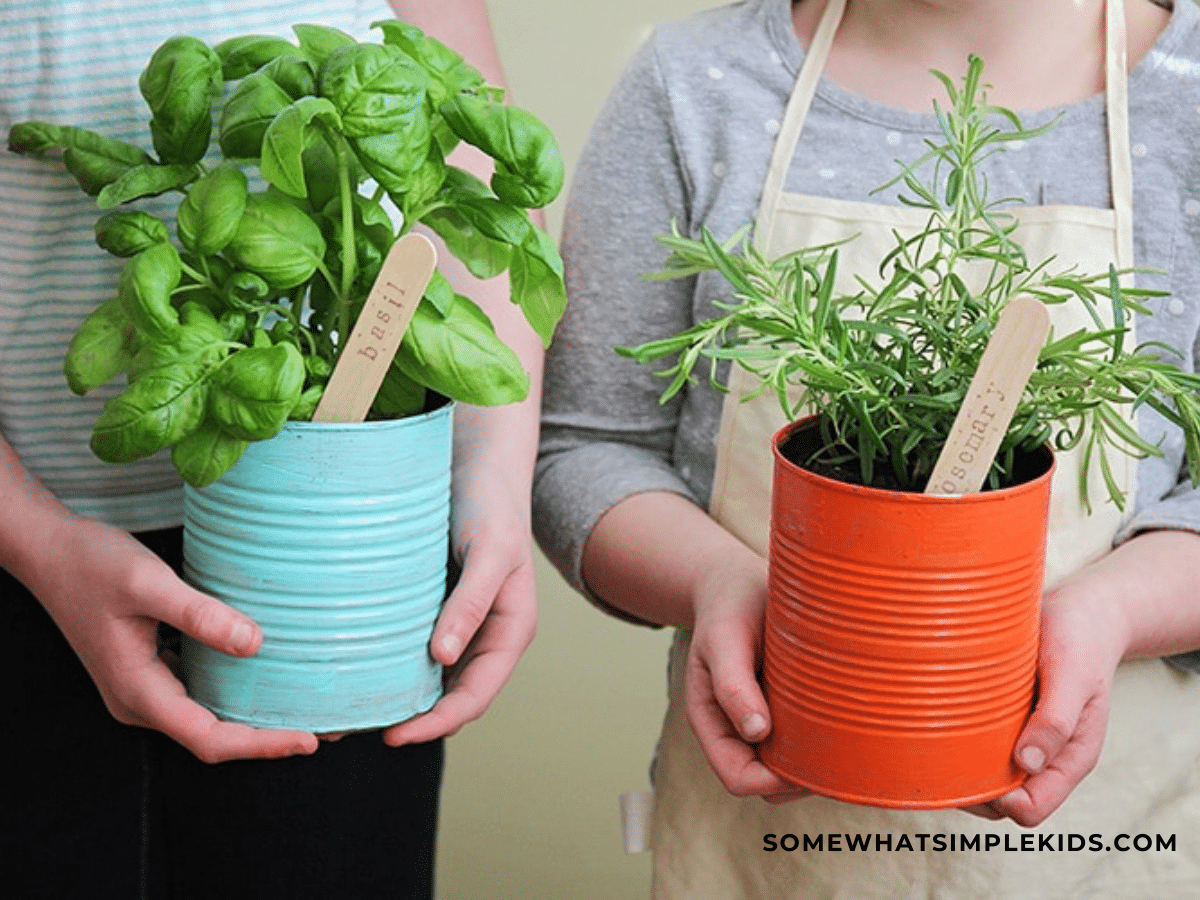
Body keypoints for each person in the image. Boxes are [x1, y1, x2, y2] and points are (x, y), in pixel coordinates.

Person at [533, 0, 1200, 896]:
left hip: (1110, 848)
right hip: (769, 840)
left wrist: (1111, 611)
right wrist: (720, 586)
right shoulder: (695, 83)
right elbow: (586, 447)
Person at [0, 1, 542, 897]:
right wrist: (39, 545)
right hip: (27, 553)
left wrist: (490, 476)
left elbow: (481, 181)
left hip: (346, 557)